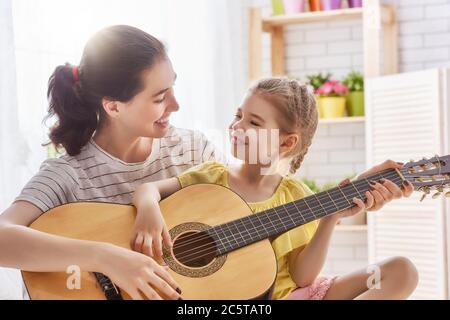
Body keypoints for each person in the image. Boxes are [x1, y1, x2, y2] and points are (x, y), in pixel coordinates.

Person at [131, 77, 418, 300]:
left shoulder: (296, 196)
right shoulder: (211, 177)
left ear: (286, 143)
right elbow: (148, 190)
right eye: (239, 115)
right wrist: (149, 210)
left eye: (254, 123)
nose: (237, 126)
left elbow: (303, 278)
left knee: (402, 270)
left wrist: (330, 218)